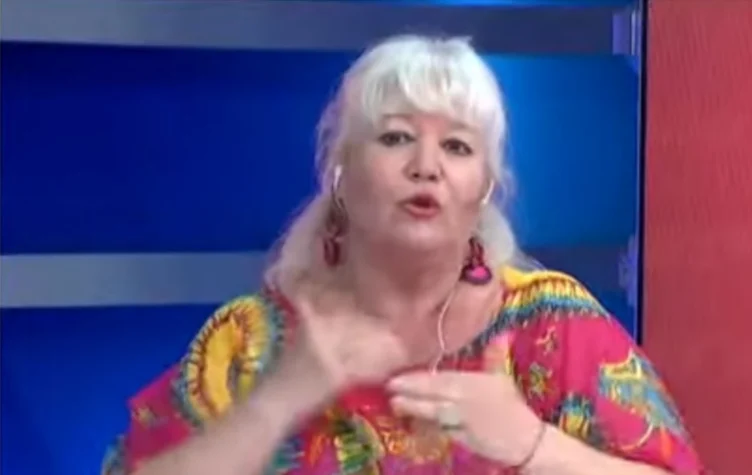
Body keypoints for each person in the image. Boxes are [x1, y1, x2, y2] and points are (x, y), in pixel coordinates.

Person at [102, 35, 704, 475]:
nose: (426, 166)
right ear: (341, 176)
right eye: (396, 137)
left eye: (457, 147)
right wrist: (278, 401)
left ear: (484, 190)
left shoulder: (548, 328)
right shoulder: (250, 339)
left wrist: (530, 443)